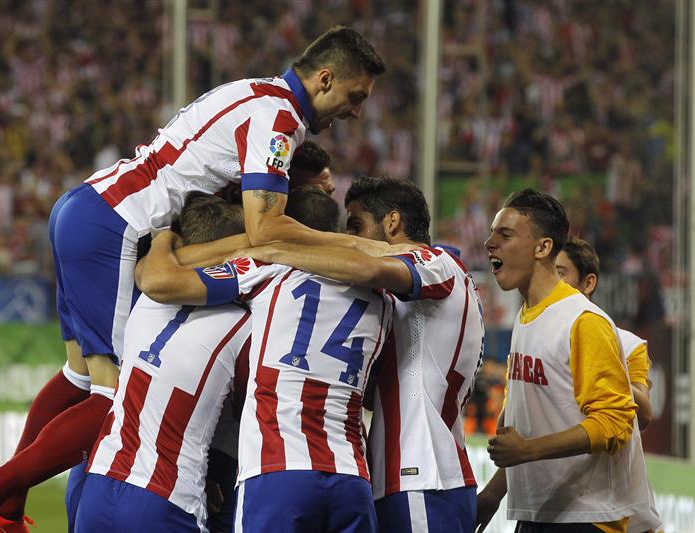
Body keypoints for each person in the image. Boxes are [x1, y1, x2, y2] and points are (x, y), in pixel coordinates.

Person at [0, 26, 387, 533]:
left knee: (77, 377)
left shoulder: (252, 91)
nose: (355, 112)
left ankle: (2, 508)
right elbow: (265, 228)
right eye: (355, 97)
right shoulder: (280, 118)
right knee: (116, 398)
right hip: (121, 226)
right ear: (325, 78)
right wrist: (358, 247)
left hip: (86, 206)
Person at [136, 187, 394, 532]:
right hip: (351, 475)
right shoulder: (384, 295)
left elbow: (159, 281)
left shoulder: (268, 270)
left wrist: (165, 237)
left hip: (279, 471)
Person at [238, 176, 484, 532]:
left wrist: (274, 250)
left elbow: (368, 266)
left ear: (392, 222)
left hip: (420, 473)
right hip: (404, 477)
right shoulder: (403, 298)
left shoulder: (436, 261)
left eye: (356, 226)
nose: (350, 240)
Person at [475, 189, 651, 533]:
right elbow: (528, 427)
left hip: (587, 516)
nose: (489, 243)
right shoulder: (527, 316)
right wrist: (494, 493)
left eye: (505, 234)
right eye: (493, 232)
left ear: (543, 248)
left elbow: (616, 422)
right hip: (539, 512)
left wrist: (528, 451)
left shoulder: (582, 321)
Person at [74, 193, 251, 532]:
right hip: (167, 497)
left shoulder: (143, 297)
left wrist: (165, 238)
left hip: (98, 485)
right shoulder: (244, 327)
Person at [555, 236, 662, 533]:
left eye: (561, 273)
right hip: (541, 504)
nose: (552, 281)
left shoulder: (627, 344)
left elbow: (643, 415)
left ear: (589, 283)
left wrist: (605, 363)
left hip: (599, 508)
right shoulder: (533, 332)